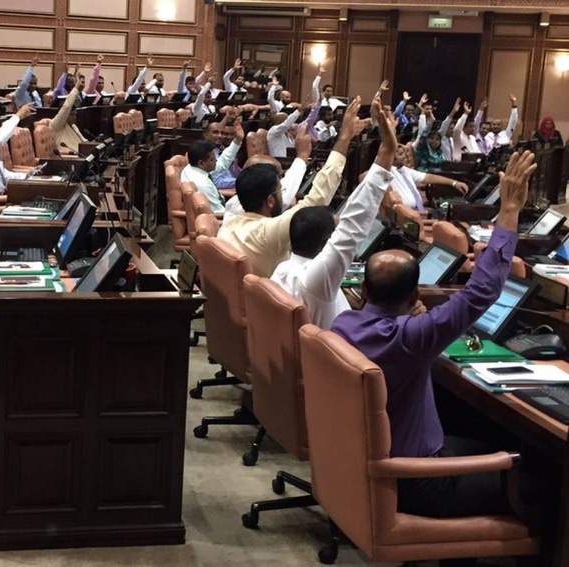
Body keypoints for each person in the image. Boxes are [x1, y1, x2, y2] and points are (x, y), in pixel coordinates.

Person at [330, 149, 539, 519]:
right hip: (417, 481)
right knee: (543, 485)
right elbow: (481, 291)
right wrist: (509, 210)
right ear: (414, 296)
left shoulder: (342, 325)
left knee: (497, 441)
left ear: (363, 290)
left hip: (364, 465)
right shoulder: (412, 337)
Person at [272, 98, 397, 329]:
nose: (340, 230)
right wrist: (387, 152)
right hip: (338, 348)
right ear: (326, 245)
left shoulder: (283, 269)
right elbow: (353, 223)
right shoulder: (316, 279)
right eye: (335, 231)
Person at [218, 96, 362, 278]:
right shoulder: (266, 233)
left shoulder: (230, 221)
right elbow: (317, 200)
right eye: (280, 190)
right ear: (270, 201)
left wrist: (301, 158)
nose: (282, 194)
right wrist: (345, 137)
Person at [180, 120, 245, 213]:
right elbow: (218, 213)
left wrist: (237, 140)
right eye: (212, 159)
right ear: (201, 163)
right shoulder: (203, 184)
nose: (216, 161)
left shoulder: (192, 168)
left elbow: (223, 162)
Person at [50, 85, 87, 154]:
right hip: (67, 157)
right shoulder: (56, 124)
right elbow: (67, 107)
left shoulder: (73, 126)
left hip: (81, 155)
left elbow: (84, 142)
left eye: (75, 115)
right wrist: (76, 88)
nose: (74, 117)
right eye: (71, 115)